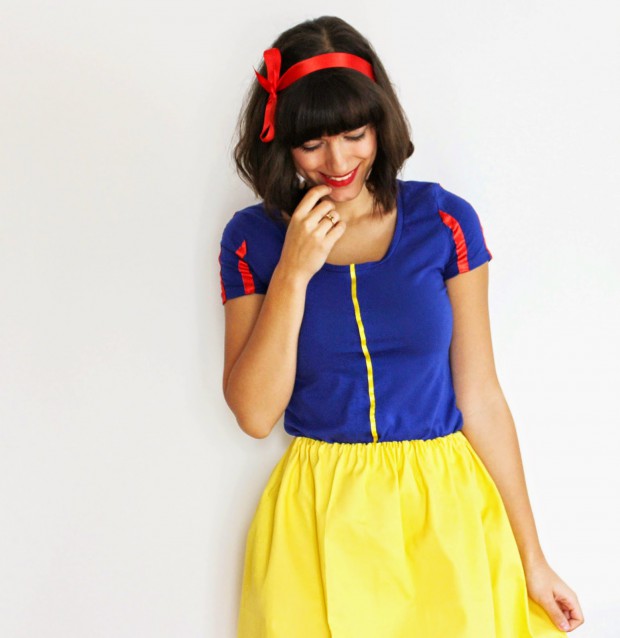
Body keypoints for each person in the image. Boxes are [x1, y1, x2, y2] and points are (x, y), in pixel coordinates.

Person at [219, 15, 584, 638]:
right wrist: (293, 273)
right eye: (312, 144)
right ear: (281, 141)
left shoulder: (444, 221)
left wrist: (534, 560)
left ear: (379, 125)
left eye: (354, 134)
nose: (338, 161)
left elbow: (481, 397)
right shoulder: (252, 240)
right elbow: (255, 415)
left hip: (443, 510)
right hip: (317, 515)